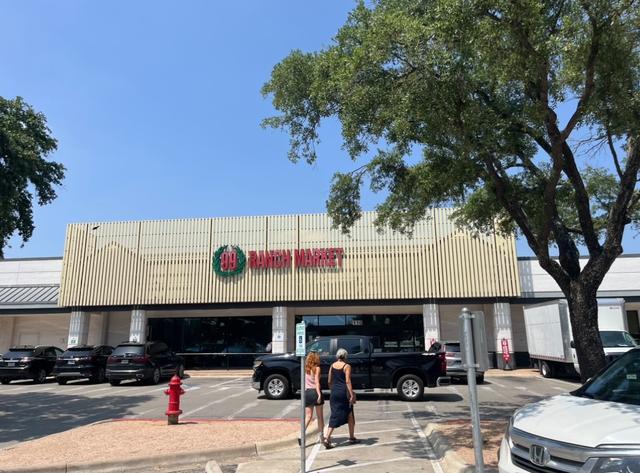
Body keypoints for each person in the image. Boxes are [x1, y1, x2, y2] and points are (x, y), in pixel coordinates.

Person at [324, 348, 357, 449]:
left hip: (334, 392)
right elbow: (347, 381)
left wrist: (332, 389)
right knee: (341, 414)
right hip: (344, 393)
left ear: (337, 356)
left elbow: (329, 380)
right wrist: (351, 394)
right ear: (345, 356)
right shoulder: (347, 366)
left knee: (347, 414)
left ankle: (351, 437)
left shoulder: (332, 365)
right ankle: (327, 438)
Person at [301, 351, 325, 445]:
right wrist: (319, 394)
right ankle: (321, 437)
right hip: (315, 391)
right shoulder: (317, 368)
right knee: (320, 416)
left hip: (307, 392)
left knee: (308, 416)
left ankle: (301, 435)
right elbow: (317, 382)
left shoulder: (305, 368)